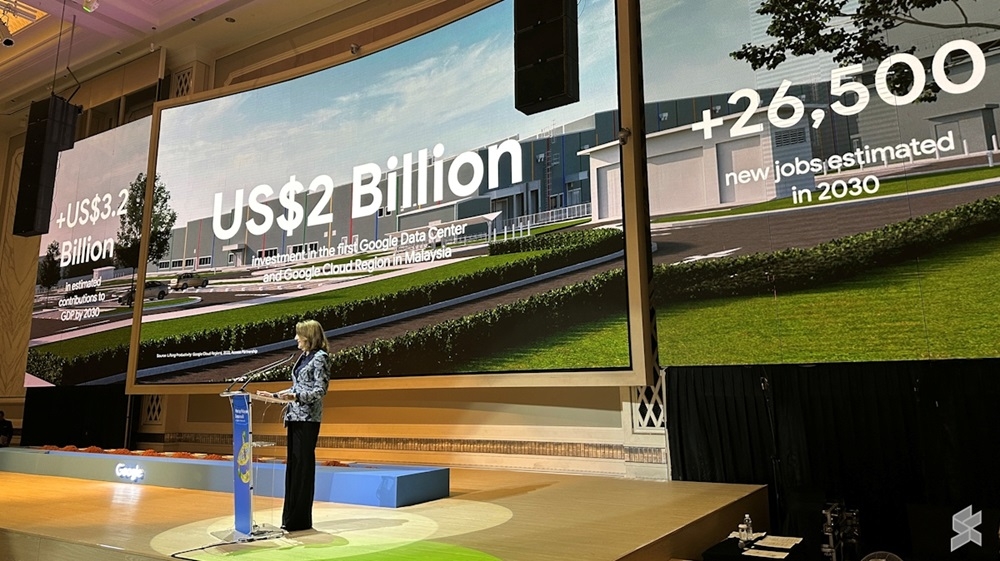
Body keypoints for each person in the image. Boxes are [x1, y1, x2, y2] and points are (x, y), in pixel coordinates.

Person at [265, 320, 331, 532]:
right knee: (293, 467)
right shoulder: (303, 357)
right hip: (294, 417)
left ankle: (300, 520)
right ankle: (290, 519)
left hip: (308, 419)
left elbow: (320, 391)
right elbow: (297, 386)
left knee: (303, 468)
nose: (295, 339)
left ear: (309, 336)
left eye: (298, 335)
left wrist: (296, 397)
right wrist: (275, 395)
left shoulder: (320, 358)